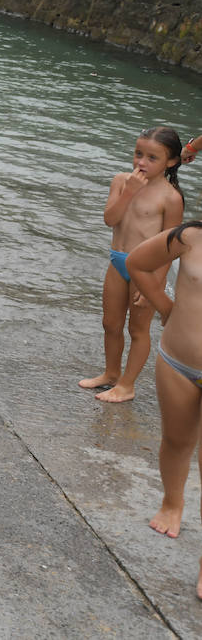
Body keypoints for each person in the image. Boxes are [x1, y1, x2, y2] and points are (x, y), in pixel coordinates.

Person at [79, 127, 185, 401]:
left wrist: (157, 283)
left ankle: (127, 385)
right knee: (110, 323)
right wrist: (128, 192)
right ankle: (111, 374)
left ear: (171, 162)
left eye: (152, 158)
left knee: (137, 329)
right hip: (118, 261)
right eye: (138, 154)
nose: (141, 162)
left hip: (147, 270)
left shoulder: (171, 198)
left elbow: (170, 247)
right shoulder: (120, 181)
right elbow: (110, 219)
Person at [129, 221, 202, 571]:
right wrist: (165, 306)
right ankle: (172, 502)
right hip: (178, 363)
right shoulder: (190, 237)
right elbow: (137, 262)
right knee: (176, 441)